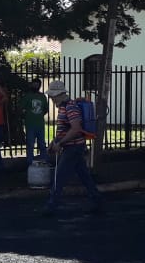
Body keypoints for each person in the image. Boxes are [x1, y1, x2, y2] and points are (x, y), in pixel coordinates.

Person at [42, 80, 102, 214]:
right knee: (84, 176)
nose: (51, 98)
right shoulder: (64, 107)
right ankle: (97, 200)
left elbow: (75, 129)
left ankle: (51, 206)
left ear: (59, 95)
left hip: (73, 148)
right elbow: (65, 129)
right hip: (74, 147)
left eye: (52, 96)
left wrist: (60, 143)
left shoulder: (70, 107)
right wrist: (55, 142)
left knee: (59, 176)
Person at [20, 78, 49, 163]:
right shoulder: (27, 96)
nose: (36, 86)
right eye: (34, 84)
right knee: (30, 144)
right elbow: (21, 108)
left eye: (37, 84)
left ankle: (44, 161)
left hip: (40, 124)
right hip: (30, 124)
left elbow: (45, 109)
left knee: (42, 144)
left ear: (40, 86)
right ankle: (30, 162)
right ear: (31, 85)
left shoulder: (42, 96)